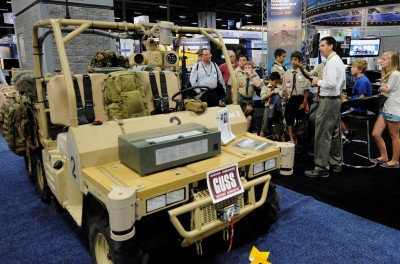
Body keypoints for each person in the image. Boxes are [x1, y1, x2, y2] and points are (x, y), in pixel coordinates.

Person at [304, 36, 346, 178]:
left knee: (322, 134)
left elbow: (331, 83)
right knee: (334, 133)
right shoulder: (336, 61)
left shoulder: (332, 62)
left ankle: (321, 167)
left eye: (322, 45)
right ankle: (336, 163)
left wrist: (318, 81)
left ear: (331, 46)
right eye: (320, 45)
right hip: (334, 100)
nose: (320, 48)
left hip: (329, 100)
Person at [370, 51, 400, 168]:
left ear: (391, 61)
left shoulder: (395, 74)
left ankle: (395, 161)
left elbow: (386, 90)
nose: (380, 61)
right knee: (375, 134)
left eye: (384, 59)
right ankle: (384, 156)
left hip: (393, 109)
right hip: (385, 108)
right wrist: (382, 88)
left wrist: (381, 88)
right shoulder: (387, 73)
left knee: (394, 136)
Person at [341, 58, 372, 145]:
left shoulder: (362, 81)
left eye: (354, 67)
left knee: (334, 114)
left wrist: (347, 100)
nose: (351, 68)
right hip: (357, 105)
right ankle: (344, 135)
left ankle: (346, 134)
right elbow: (357, 96)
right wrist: (348, 98)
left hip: (359, 109)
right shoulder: (359, 79)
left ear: (360, 69)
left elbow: (361, 99)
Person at [282, 51, 310, 145]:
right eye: (292, 59)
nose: (294, 61)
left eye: (296, 59)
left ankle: (298, 137)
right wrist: (285, 94)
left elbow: (306, 89)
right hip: (290, 99)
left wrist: (304, 102)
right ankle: (291, 138)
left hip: (300, 99)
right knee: (289, 120)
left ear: (299, 61)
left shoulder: (303, 73)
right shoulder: (286, 73)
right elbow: (284, 87)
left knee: (300, 120)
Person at [259, 71, 285, 141]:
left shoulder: (279, 87)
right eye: (275, 82)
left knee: (280, 128)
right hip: (268, 108)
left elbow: (284, 97)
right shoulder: (265, 87)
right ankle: (259, 142)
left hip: (277, 109)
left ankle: (284, 146)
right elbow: (263, 98)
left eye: (277, 82)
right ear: (271, 80)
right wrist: (272, 92)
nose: (276, 84)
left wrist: (284, 92)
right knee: (264, 127)